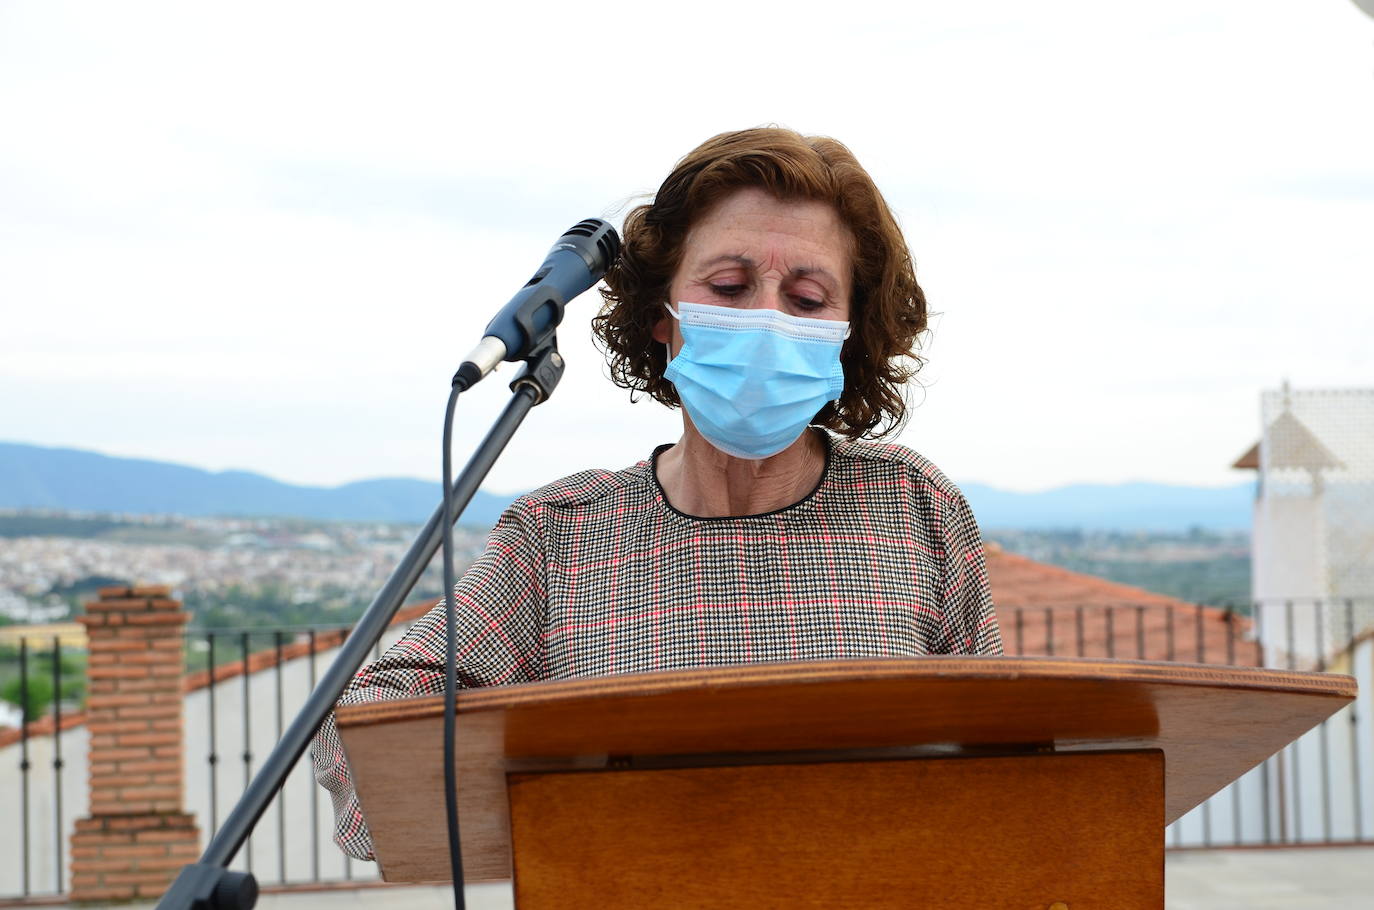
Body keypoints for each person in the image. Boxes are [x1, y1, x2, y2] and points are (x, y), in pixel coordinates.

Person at [312, 127, 1003, 860]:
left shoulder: (915, 506)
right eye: (730, 288)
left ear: (849, 331)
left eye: (805, 297)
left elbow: (1011, 759)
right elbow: (362, 725)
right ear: (662, 317)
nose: (764, 320)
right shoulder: (562, 534)